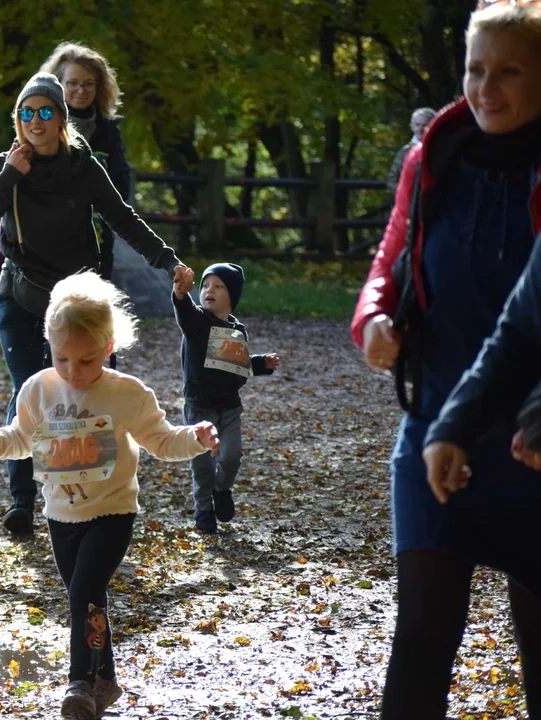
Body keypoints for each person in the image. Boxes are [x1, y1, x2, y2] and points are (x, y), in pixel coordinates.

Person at [350, 2, 541, 716]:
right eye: (474, 70)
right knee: (422, 635)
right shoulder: (435, 156)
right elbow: (391, 256)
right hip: (433, 422)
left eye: (509, 72)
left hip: (531, 443)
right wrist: (371, 317)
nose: (486, 88)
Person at [0, 272, 218, 720]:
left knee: (83, 593)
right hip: (60, 516)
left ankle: (78, 682)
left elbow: (162, 441)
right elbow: (22, 439)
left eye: (87, 360)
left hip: (113, 512)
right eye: (62, 359)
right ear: (49, 345)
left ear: (108, 347)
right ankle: (106, 680)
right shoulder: (38, 388)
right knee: (90, 598)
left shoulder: (127, 393)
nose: (73, 372)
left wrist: (195, 438)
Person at [0, 72, 189, 537]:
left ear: (62, 118)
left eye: (46, 111)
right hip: (22, 296)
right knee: (29, 390)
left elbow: (123, 218)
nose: (36, 121)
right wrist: (9, 176)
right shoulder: (4, 165)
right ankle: (22, 501)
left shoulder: (82, 166)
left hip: (76, 302)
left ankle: (97, 496)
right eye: (27, 113)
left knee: (85, 390)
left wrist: (168, 262)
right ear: (17, 120)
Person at [172, 263, 279, 535]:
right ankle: (203, 510)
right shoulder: (197, 322)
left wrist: (260, 364)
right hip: (199, 407)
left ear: (232, 296)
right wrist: (180, 295)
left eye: (219, 287)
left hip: (230, 407)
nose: (210, 290)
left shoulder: (237, 329)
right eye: (206, 285)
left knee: (231, 456)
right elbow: (183, 312)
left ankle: (222, 490)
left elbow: (236, 366)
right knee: (202, 463)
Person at [41, 42, 130, 280]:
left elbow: (121, 181)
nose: (81, 90)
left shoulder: (108, 129)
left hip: (96, 235)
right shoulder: (39, 124)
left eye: (89, 83)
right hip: (44, 234)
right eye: (73, 83)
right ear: (58, 83)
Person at [386, 107, 436, 193]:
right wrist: (406, 196)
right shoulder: (405, 152)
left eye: (425, 125)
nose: (420, 129)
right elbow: (392, 180)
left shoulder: (439, 150)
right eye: (417, 125)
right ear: (412, 126)